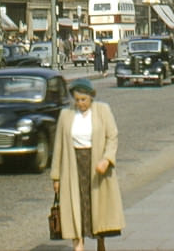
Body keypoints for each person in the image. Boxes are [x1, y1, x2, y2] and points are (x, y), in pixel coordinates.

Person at [51, 78, 124, 251]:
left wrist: (107, 159)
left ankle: (100, 243)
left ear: (91, 97)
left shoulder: (102, 111)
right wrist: (56, 177)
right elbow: (59, 146)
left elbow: (112, 137)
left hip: (97, 166)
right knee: (77, 207)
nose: (80, 103)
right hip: (73, 166)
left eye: (83, 100)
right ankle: (79, 244)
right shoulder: (66, 115)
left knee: (96, 208)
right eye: (77, 100)